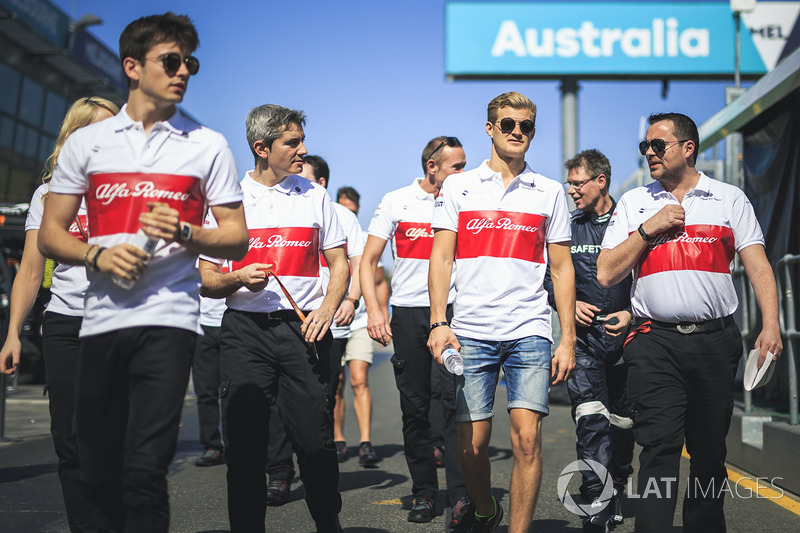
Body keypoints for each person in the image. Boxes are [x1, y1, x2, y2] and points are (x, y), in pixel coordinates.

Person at [37, 13, 248, 532]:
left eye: (189, 64)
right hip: (102, 319)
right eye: (170, 61)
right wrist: (95, 256)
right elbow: (50, 234)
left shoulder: (208, 144)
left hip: (171, 319)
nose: (182, 73)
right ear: (132, 66)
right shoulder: (89, 144)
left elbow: (237, 235)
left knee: (145, 470)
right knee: (97, 469)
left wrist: (185, 232)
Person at [597, 112, 783, 532]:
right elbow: (606, 272)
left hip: (715, 341)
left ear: (687, 148)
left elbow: (758, 265)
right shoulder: (634, 202)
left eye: (657, 145)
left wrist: (770, 324)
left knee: (709, 453)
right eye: (644, 146)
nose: (649, 152)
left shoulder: (729, 198)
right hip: (653, 342)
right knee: (659, 448)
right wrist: (648, 230)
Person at [427, 92, 576, 533]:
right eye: (508, 123)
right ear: (490, 128)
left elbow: (562, 267)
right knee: (471, 446)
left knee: (527, 440)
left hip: (530, 330)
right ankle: (486, 510)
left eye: (526, 125)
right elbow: (441, 259)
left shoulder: (549, 191)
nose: (517, 132)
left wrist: (566, 337)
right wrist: (439, 322)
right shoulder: (458, 186)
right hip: (469, 331)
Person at [198, 104, 348, 533]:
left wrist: (326, 308)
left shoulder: (316, 195)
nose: (303, 149)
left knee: (315, 442)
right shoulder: (228, 201)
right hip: (245, 333)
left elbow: (339, 265)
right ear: (261, 148)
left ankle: (327, 524)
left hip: (301, 331)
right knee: (245, 448)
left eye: (301, 140)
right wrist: (239, 277)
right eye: (293, 142)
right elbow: (207, 280)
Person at [0, 96, 118, 532]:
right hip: (65, 325)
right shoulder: (49, 195)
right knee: (69, 443)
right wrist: (13, 332)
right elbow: (31, 270)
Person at [361, 135, 471, 528]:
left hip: (455, 314)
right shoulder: (396, 201)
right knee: (416, 410)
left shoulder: (466, 197)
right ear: (432, 167)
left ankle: (460, 497)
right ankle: (424, 491)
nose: (463, 172)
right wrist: (376, 311)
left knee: (453, 406)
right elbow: (368, 260)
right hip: (408, 315)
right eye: (456, 166)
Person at [263, 154, 365, 506]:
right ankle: (279, 473)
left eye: (303, 174)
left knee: (318, 400)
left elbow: (355, 263)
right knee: (274, 400)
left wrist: (347, 300)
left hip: (324, 318)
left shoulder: (340, 213)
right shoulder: (275, 205)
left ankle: (318, 479)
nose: (296, 179)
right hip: (278, 317)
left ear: (319, 182)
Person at [546, 149, 635, 532]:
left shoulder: (632, 222)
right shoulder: (568, 226)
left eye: (576, 183)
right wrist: (568, 302)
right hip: (582, 341)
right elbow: (549, 276)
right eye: (568, 183)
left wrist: (633, 314)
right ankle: (598, 500)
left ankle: (617, 483)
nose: (570, 190)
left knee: (623, 424)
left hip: (629, 339)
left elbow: (651, 277)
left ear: (601, 181)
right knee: (590, 419)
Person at [193, 290, 227, 467]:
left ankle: (237, 445)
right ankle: (212, 446)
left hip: (232, 322)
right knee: (205, 391)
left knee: (233, 392)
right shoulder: (194, 260)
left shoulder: (237, 259)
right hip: (202, 326)